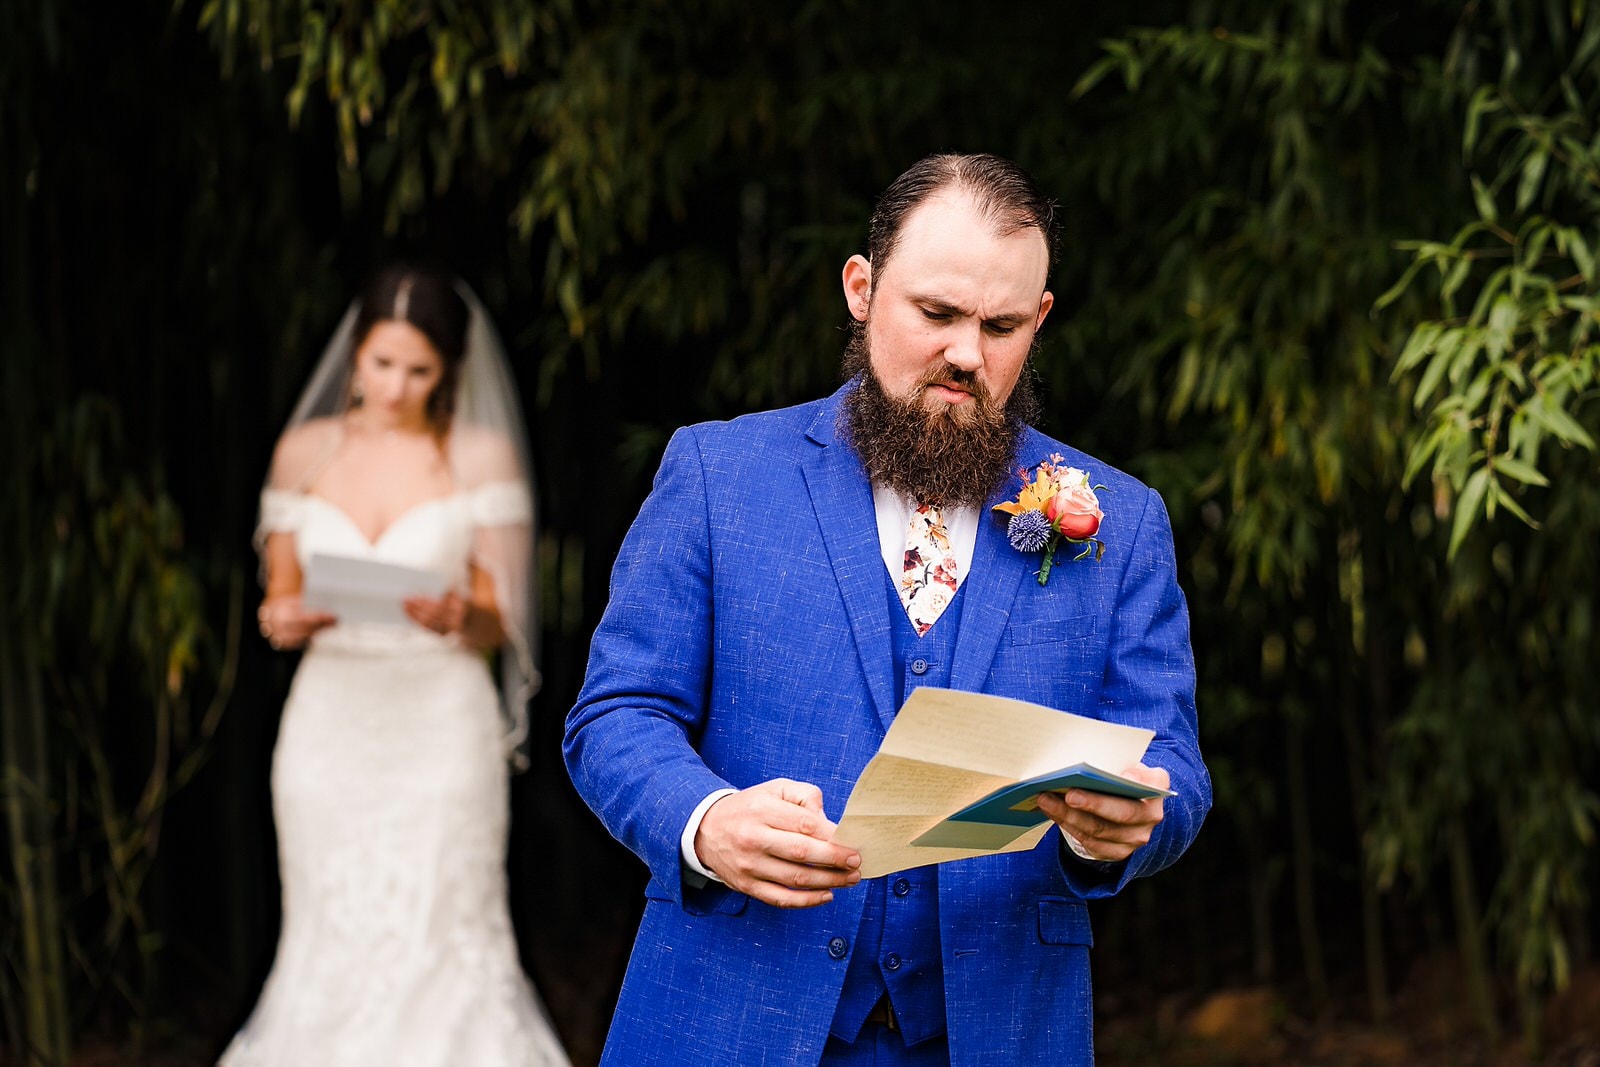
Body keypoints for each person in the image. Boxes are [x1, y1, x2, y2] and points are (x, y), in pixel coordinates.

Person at [564, 154, 1210, 1065]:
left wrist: (1125, 829)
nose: (966, 354)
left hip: (995, 1030)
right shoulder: (716, 474)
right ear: (862, 289)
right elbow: (616, 714)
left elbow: (1172, 763)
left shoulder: (1125, 521)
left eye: (1001, 324)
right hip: (730, 1013)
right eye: (936, 313)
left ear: (1042, 319)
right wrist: (703, 822)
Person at [222, 264, 570, 1066]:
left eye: (418, 369)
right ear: (355, 355)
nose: (395, 385)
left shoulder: (477, 455)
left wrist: (461, 614)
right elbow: (277, 601)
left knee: (443, 924)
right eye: (381, 364)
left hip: (440, 717)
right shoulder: (304, 450)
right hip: (331, 713)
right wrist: (286, 616)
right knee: (325, 926)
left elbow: (499, 621)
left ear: (449, 368)